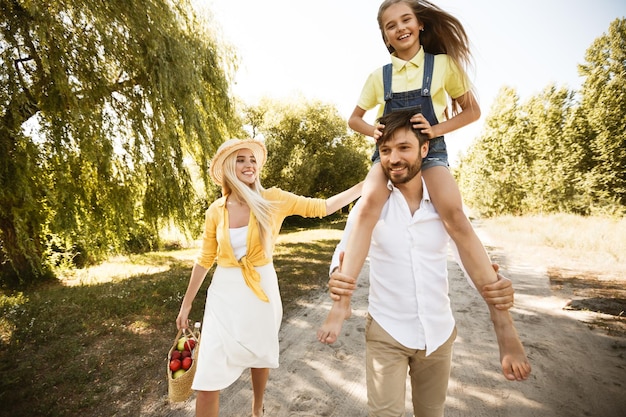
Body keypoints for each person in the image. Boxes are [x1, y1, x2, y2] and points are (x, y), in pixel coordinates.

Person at [318, 0, 509, 344]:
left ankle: (499, 314)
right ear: (385, 36)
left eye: (406, 19)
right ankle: (342, 302)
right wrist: (373, 133)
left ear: (419, 24)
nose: (400, 28)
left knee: (453, 214)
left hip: (430, 151)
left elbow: (472, 111)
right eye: (390, 25)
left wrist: (435, 131)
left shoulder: (443, 66)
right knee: (367, 206)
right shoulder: (380, 76)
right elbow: (354, 119)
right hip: (388, 153)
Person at [320, 109, 531, 416]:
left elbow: (467, 253)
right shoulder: (372, 205)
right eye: (386, 151)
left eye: (403, 148)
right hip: (387, 331)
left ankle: (505, 328)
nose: (394, 159)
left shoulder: (445, 208)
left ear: (424, 149)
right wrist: (338, 276)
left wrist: (495, 290)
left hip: (438, 333)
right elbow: (346, 248)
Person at [176, 138, 363, 417]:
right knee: (207, 378)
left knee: (260, 352)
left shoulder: (272, 199)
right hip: (223, 296)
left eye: (252, 159)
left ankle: (257, 407)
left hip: (261, 290)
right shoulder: (216, 211)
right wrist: (187, 303)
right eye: (241, 159)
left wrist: (364, 186)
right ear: (229, 167)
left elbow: (322, 207)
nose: (249, 165)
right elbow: (204, 259)